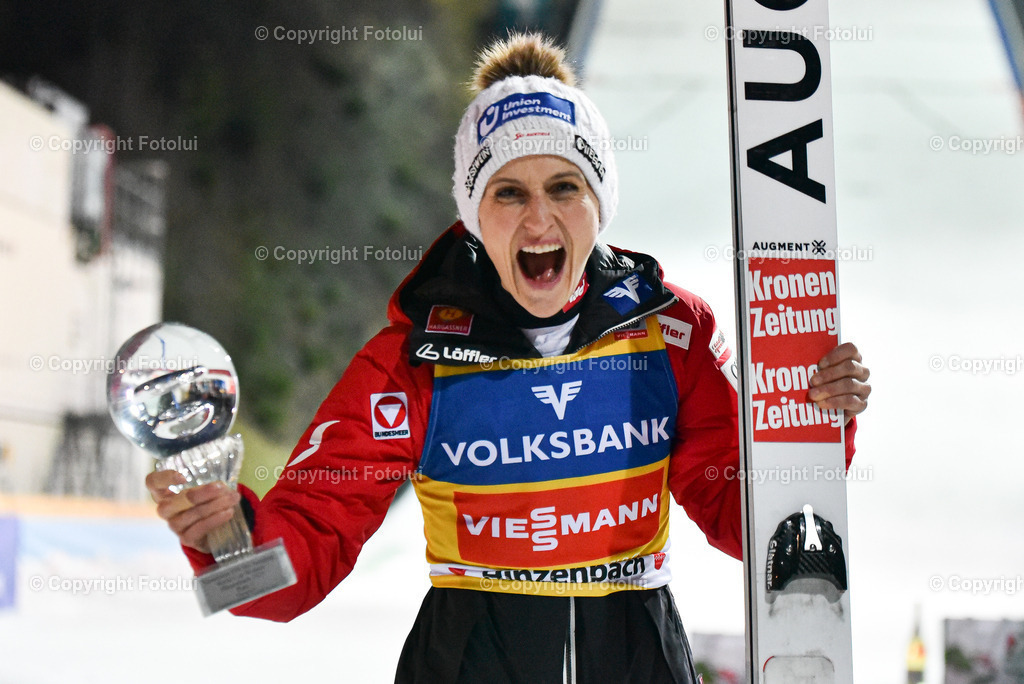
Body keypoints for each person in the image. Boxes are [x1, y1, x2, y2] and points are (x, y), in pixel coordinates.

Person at [147, 33, 871, 683]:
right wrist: (228, 545)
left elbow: (747, 521)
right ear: (473, 211)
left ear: (600, 202)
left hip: (637, 656)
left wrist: (810, 427)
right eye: (509, 193)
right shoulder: (412, 360)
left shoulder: (670, 333)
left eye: (565, 188)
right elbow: (293, 573)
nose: (538, 219)